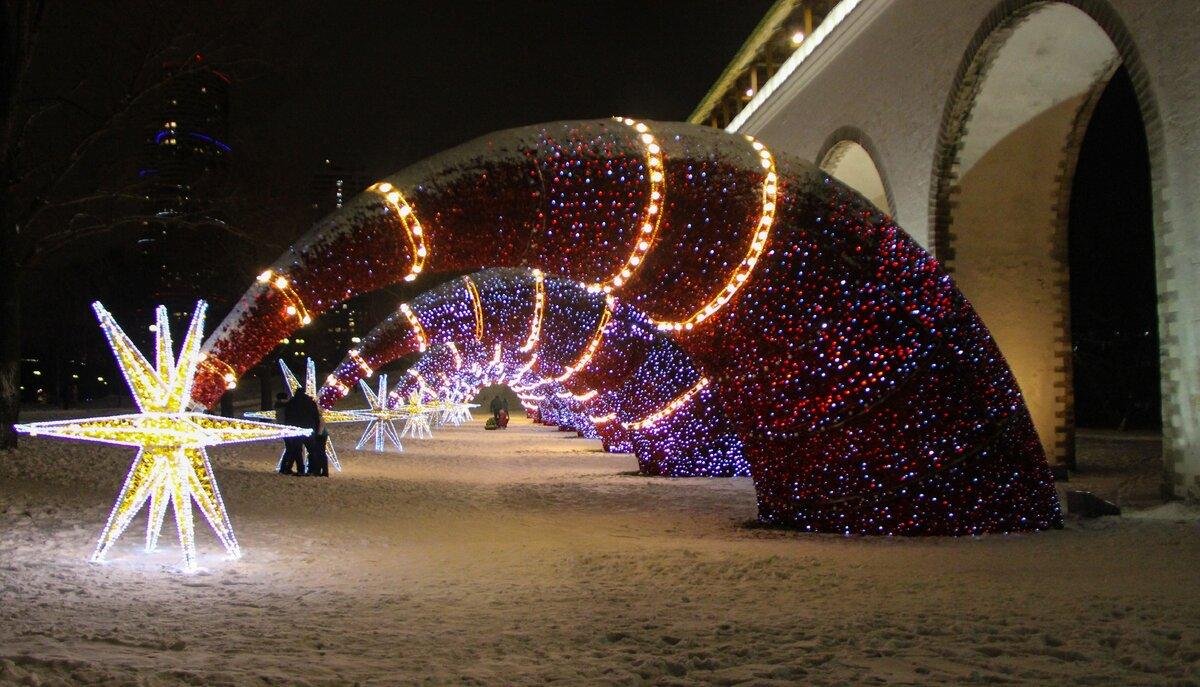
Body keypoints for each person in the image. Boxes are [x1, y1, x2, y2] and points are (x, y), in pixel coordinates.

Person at [281, 391, 321, 475]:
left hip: (296, 430)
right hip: (309, 429)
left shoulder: (292, 403)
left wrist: (289, 428)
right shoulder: (311, 402)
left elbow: (288, 417)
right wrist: (316, 429)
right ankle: (312, 469)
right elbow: (316, 416)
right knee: (312, 451)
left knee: (297, 451)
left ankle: (300, 470)